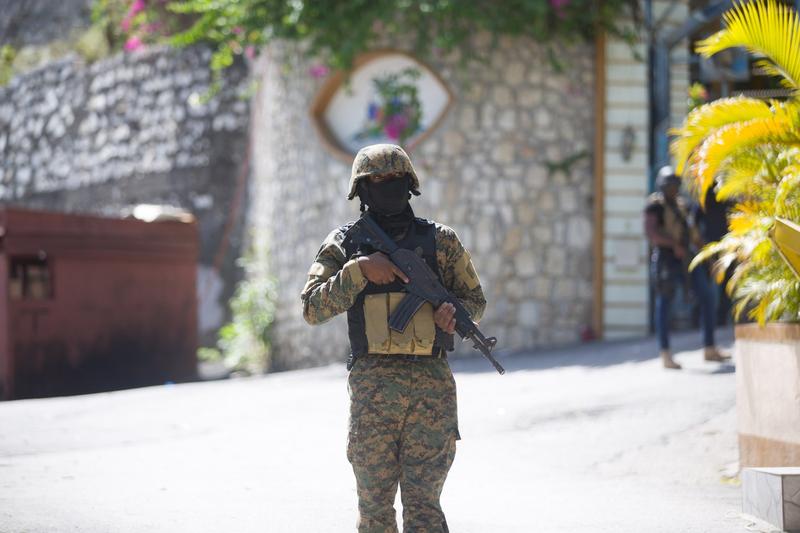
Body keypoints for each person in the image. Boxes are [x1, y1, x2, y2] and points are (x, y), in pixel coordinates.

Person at [300, 144, 486, 532]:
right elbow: (312, 308)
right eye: (376, 181)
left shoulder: (441, 241)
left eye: (394, 179)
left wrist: (453, 315)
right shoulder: (344, 243)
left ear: (409, 184)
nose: (386, 186)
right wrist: (359, 270)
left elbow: (474, 301)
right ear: (362, 190)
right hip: (373, 390)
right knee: (375, 511)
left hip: (430, 390)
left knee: (424, 510)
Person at [643, 166, 729, 369]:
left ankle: (709, 347)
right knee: (664, 305)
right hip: (666, 261)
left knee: (707, 297)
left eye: (675, 185)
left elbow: (693, 234)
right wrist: (673, 245)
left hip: (686, 260)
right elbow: (652, 234)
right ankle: (665, 353)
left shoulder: (683, 206)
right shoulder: (654, 207)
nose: (673, 189)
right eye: (670, 186)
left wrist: (707, 256)